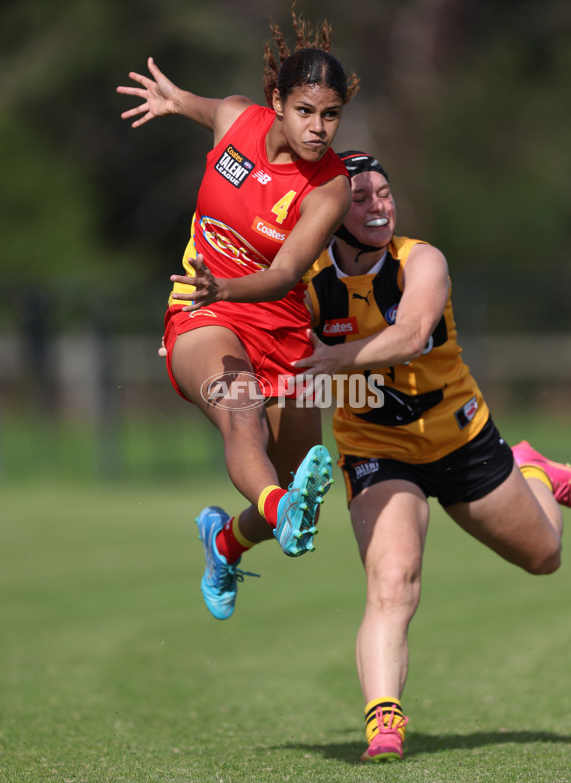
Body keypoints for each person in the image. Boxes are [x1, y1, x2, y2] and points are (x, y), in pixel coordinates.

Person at [290, 150, 571, 763]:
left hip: (461, 438)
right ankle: (384, 722)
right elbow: (276, 355)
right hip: (376, 451)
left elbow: (410, 332)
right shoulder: (308, 281)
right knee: (393, 581)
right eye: (362, 198)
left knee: (546, 557)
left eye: (385, 193)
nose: (380, 205)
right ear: (329, 212)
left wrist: (334, 360)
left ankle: (531, 465)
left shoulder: (421, 260)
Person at [116, 11, 360, 620]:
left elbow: (282, 274)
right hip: (203, 308)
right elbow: (202, 107)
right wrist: (173, 101)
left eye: (331, 115)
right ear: (276, 101)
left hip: (274, 317)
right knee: (241, 414)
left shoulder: (329, 188)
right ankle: (279, 510)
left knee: (295, 482)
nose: (318, 128)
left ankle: (223, 542)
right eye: (305, 111)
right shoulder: (234, 120)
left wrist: (226, 283)